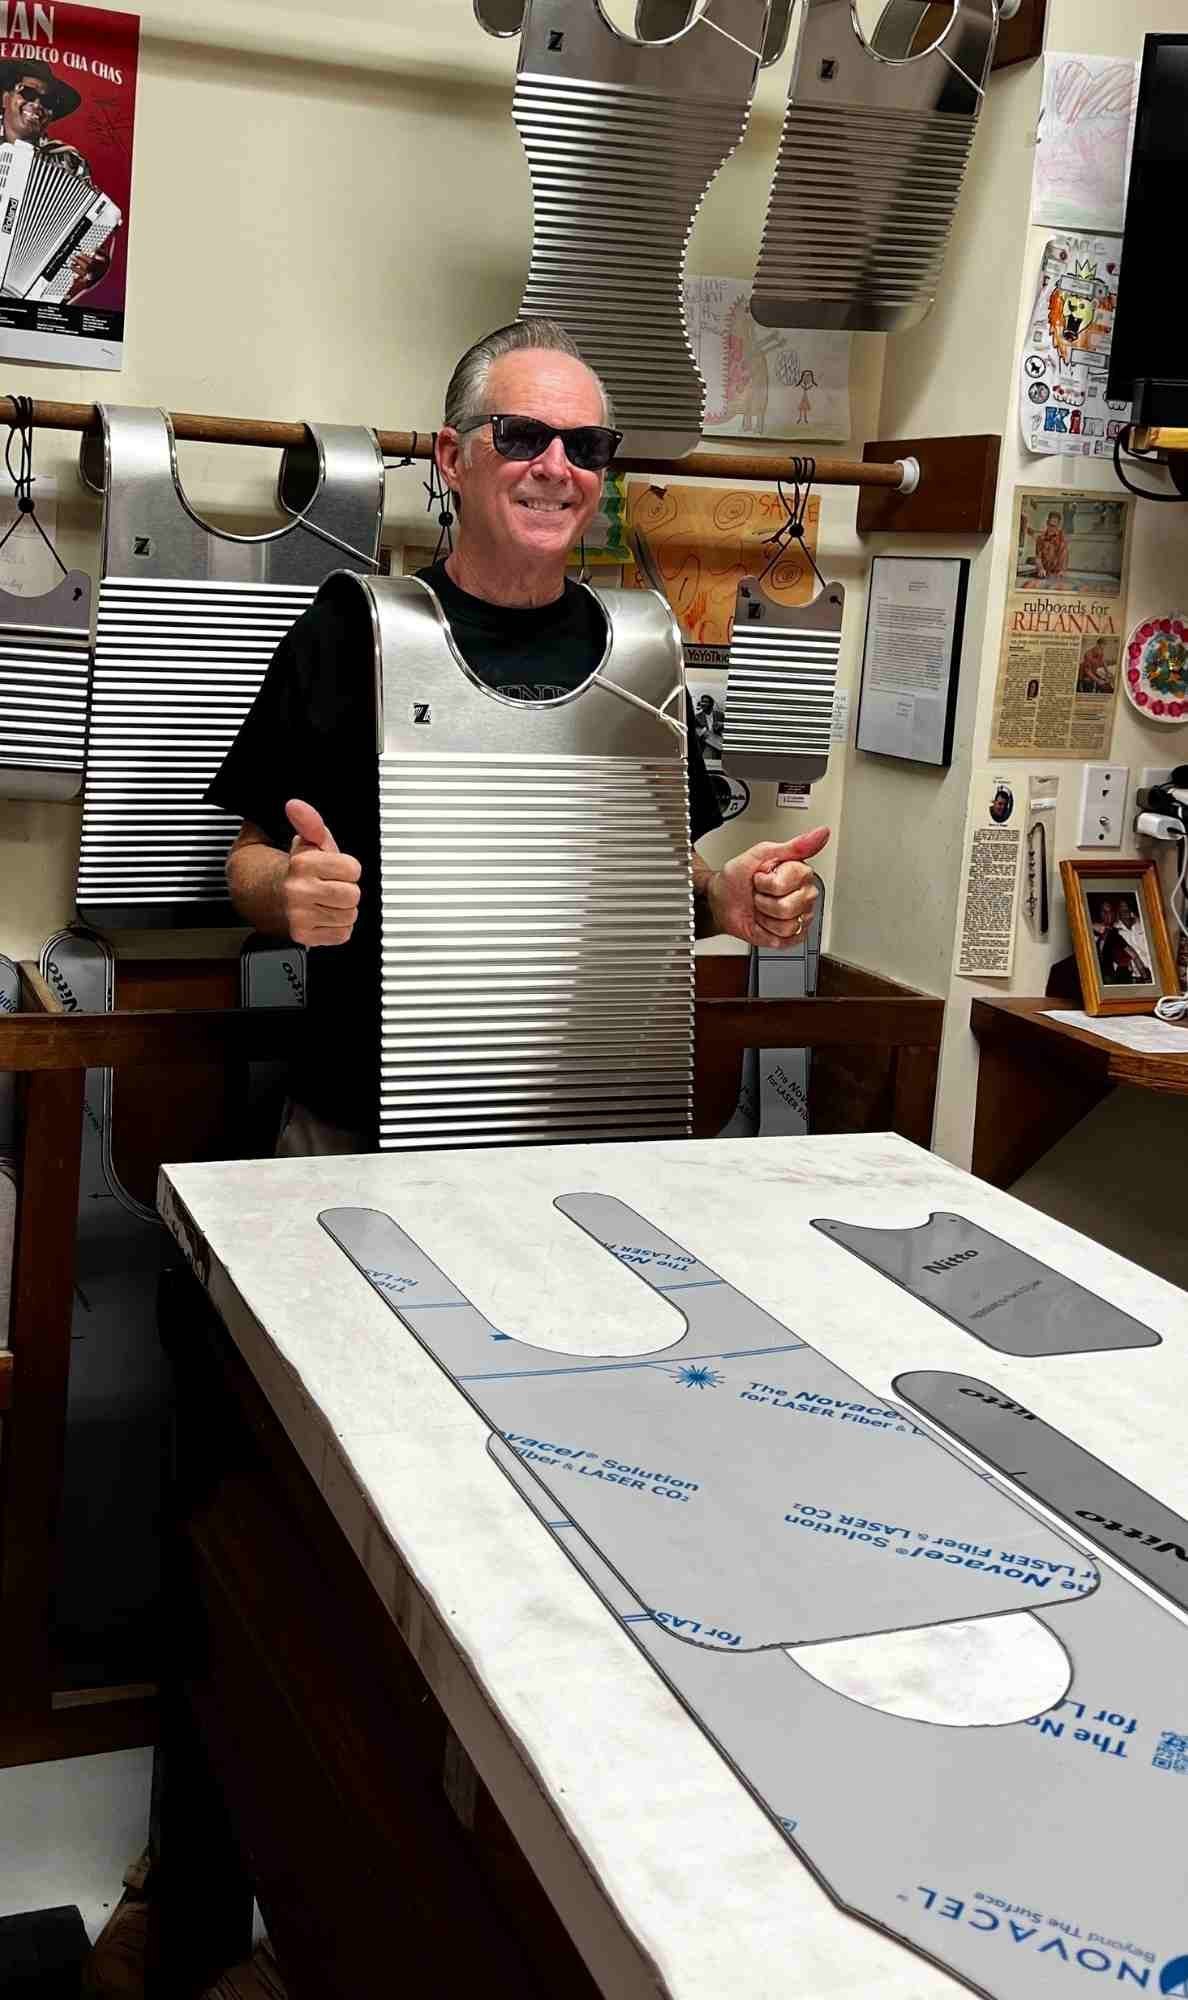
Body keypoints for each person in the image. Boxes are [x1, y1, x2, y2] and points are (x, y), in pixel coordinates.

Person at [209, 319, 829, 1155]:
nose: (554, 466)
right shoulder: (356, 628)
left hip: (594, 1133)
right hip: (362, 1127)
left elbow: (661, 874)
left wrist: (727, 899)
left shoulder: (645, 648)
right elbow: (247, 859)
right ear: (451, 456)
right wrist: (287, 889)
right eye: (522, 435)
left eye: (585, 445)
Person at [0, 59, 113, 298]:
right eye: (27, 93)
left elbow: (89, 240)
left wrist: (93, 268)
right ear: (4, 97)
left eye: (48, 102)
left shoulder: (69, 162)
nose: (37, 104)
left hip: (33, 300)